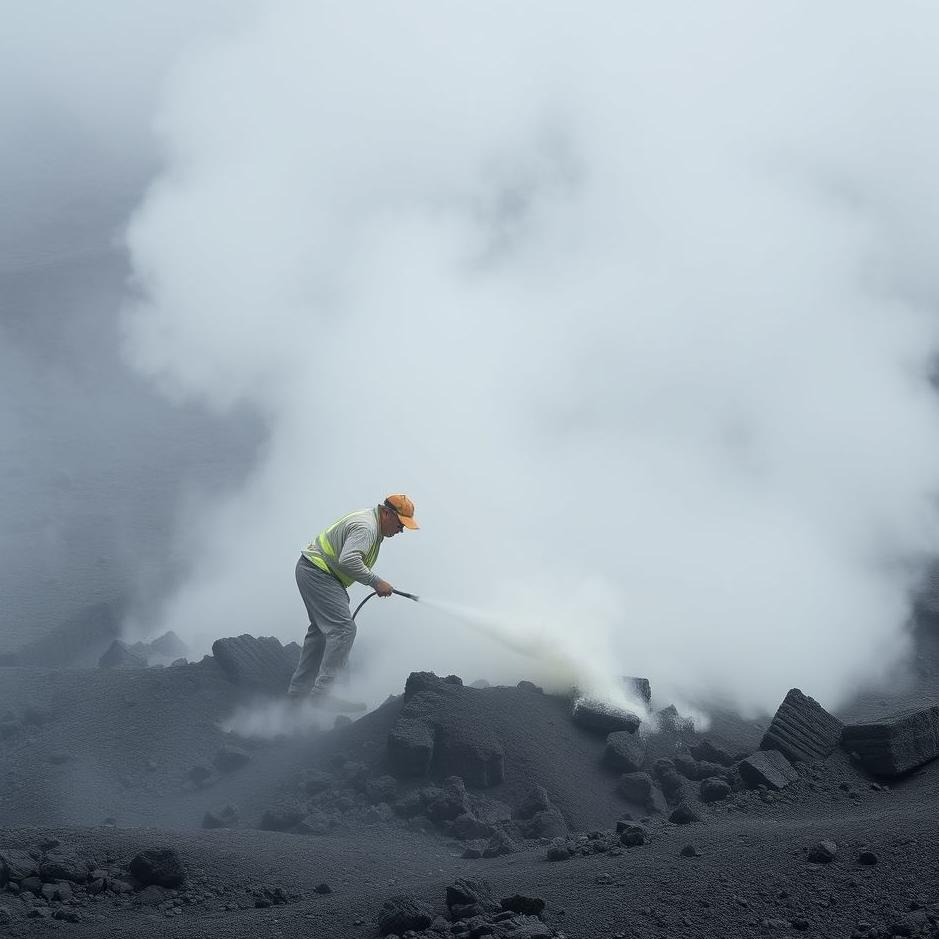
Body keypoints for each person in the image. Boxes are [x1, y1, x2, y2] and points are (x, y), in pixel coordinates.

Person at [287, 494, 419, 706]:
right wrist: (376, 581)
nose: (401, 530)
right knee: (343, 630)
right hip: (319, 573)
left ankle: (298, 695)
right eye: (400, 523)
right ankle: (322, 696)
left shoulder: (372, 522)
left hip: (313, 570)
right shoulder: (367, 528)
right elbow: (348, 559)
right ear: (386, 513)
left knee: (320, 633)